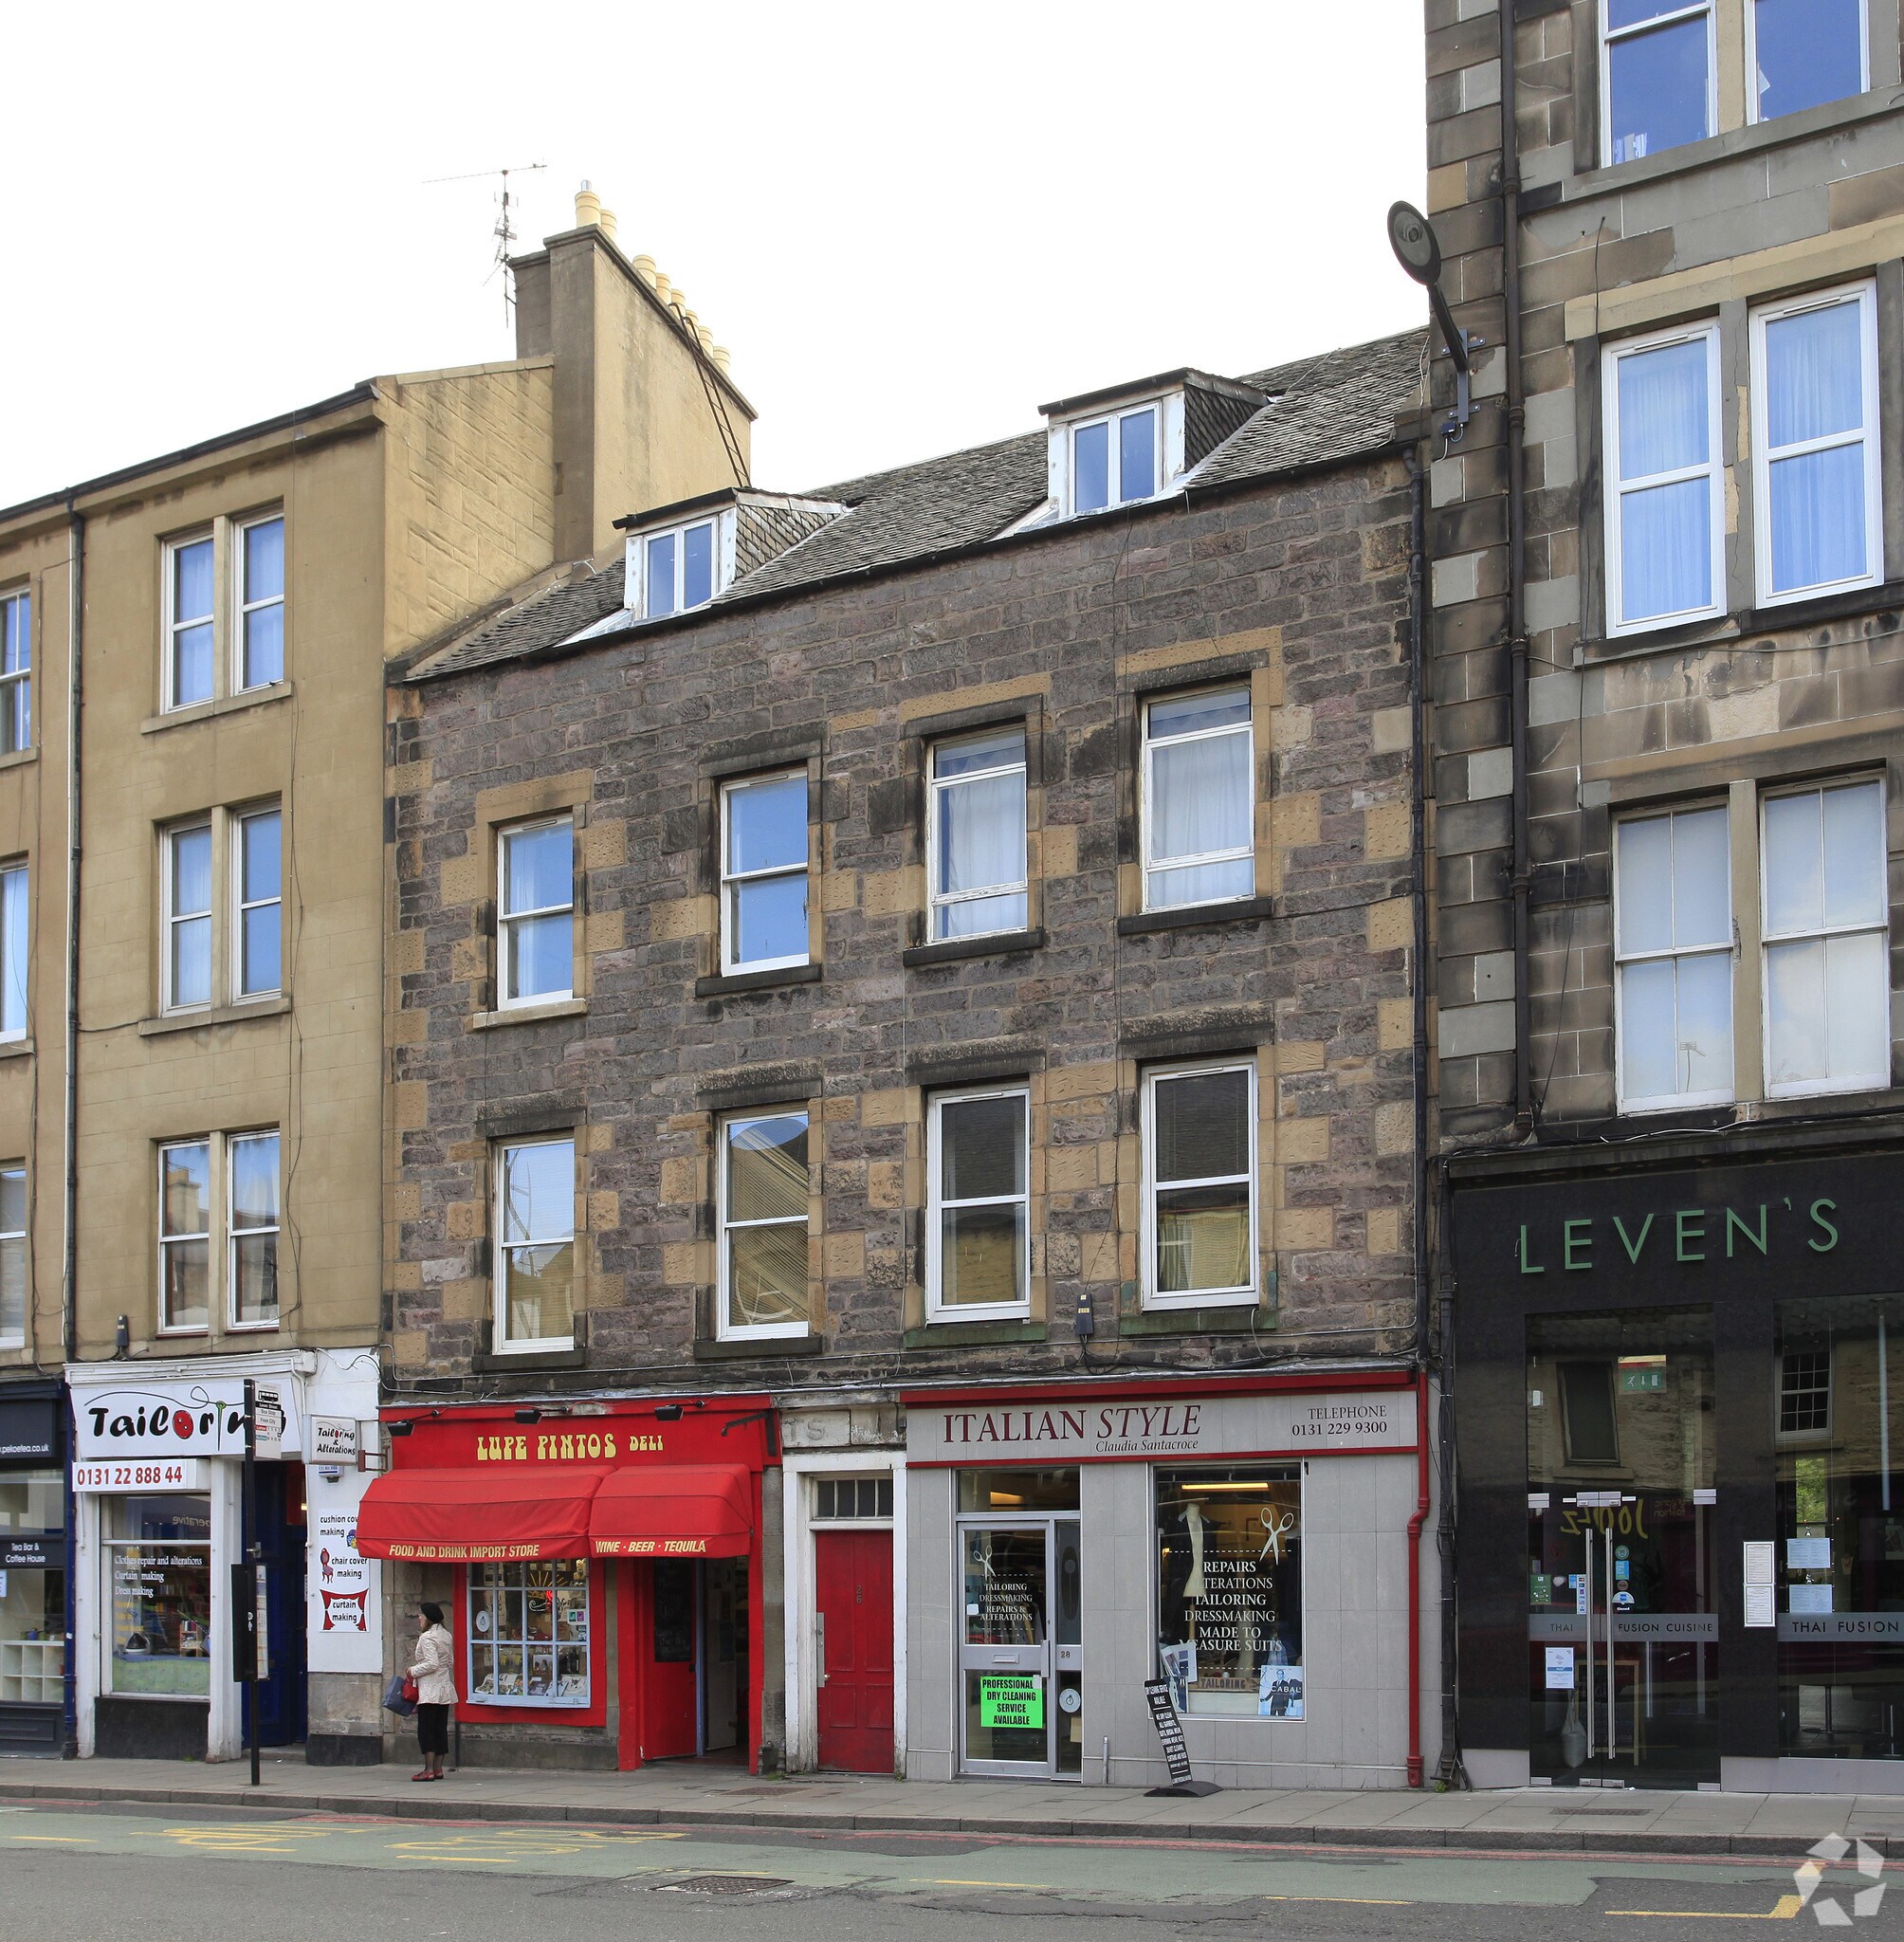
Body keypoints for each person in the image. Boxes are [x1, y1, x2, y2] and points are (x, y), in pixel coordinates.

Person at [408, 1602, 455, 1781]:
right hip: (444, 1687)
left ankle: (428, 1770)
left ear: (428, 1618)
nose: (419, 1618)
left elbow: (431, 1663)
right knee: (440, 1728)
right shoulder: (446, 1635)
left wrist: (412, 1671)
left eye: (421, 1615)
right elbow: (450, 1662)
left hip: (429, 1689)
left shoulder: (427, 1638)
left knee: (426, 1729)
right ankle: (438, 1768)